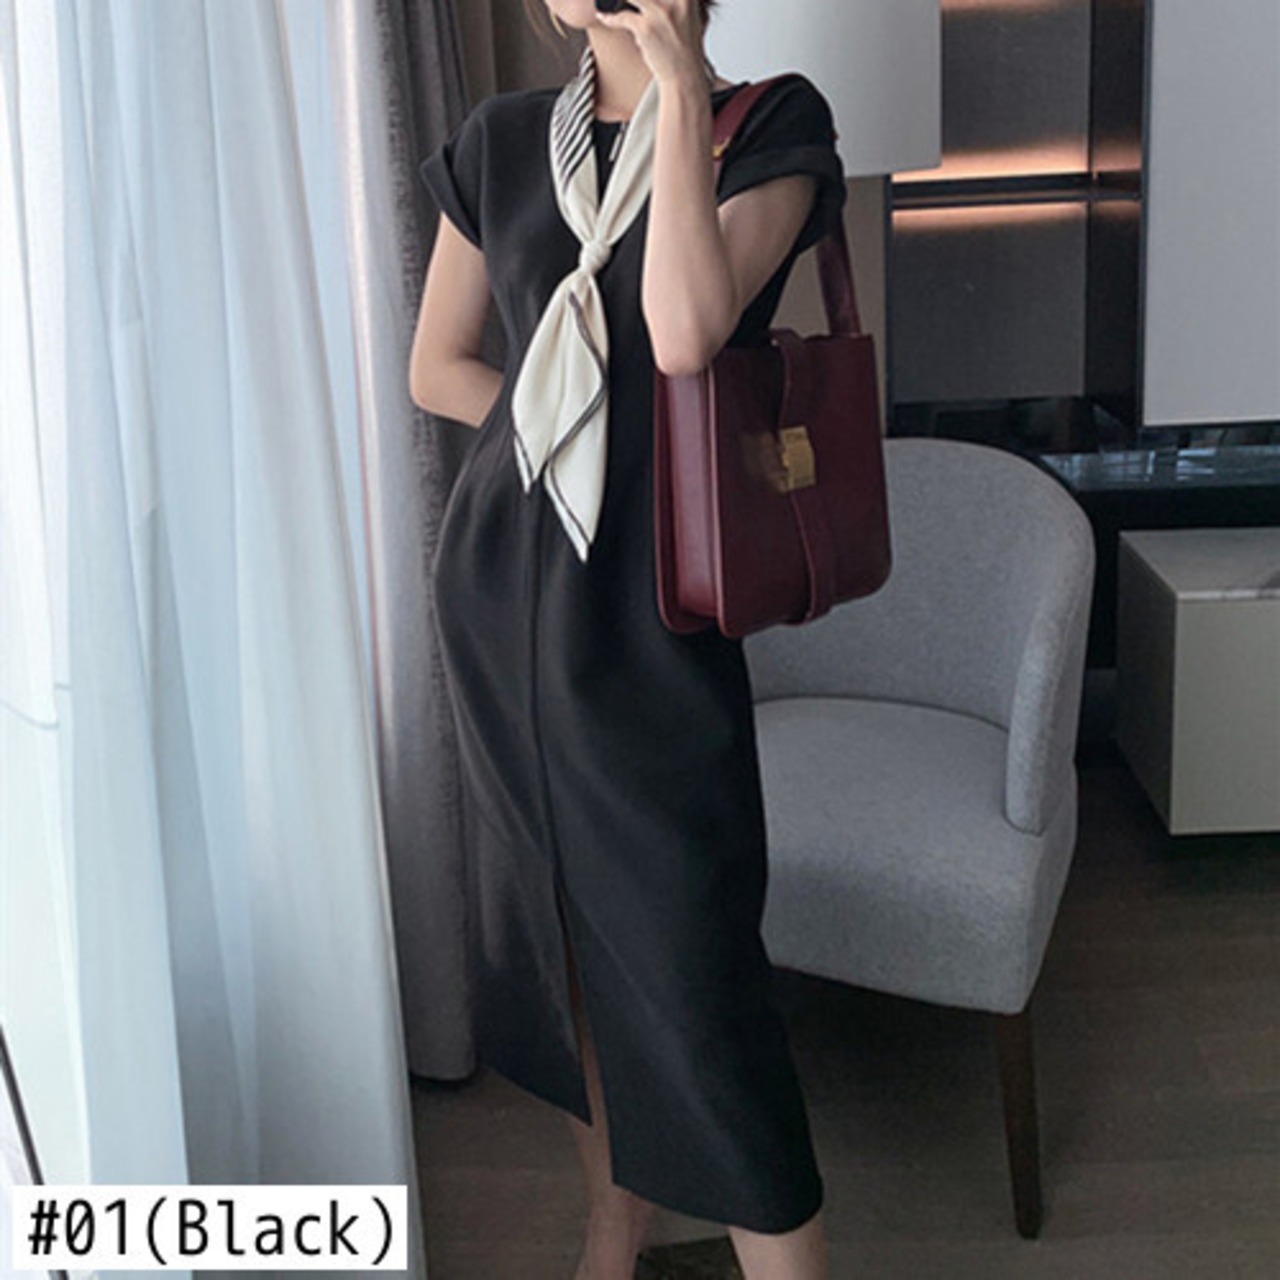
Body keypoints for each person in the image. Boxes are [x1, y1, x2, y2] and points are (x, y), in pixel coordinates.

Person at [410, 2, 847, 1276]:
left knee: (701, 987)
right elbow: (436, 366)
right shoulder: (498, 141)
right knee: (565, 965)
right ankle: (614, 1228)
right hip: (503, 599)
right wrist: (562, 439)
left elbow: (685, 332)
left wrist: (674, 83)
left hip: (653, 619)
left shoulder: (769, 125)